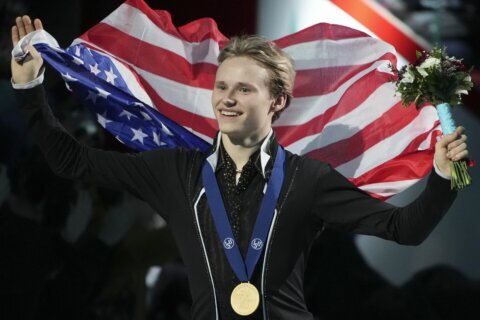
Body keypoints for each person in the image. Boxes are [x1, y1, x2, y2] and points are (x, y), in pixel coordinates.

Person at [10, 15, 469, 320]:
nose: (228, 97)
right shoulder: (177, 171)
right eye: (222, 86)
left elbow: (404, 229)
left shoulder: (308, 180)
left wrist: (446, 178)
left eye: (244, 89)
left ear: (277, 102)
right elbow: (71, 160)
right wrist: (29, 88)